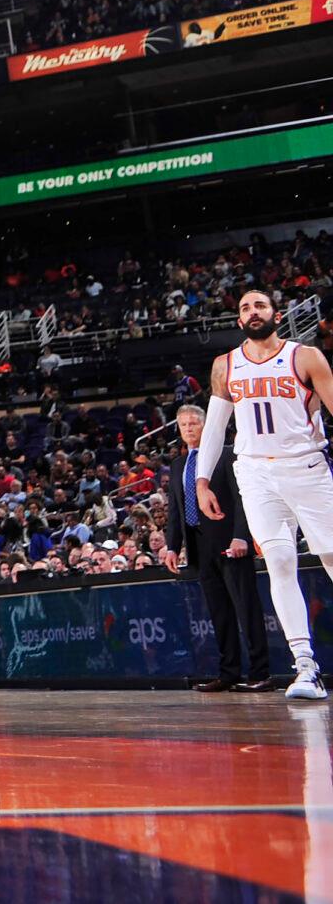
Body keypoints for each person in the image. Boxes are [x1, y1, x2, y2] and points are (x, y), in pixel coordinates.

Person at [195, 288, 333, 700]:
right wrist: (202, 481)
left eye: (260, 305)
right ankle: (305, 667)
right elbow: (215, 428)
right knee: (279, 562)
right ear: (239, 320)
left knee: (330, 559)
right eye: (245, 308)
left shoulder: (306, 357)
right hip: (255, 472)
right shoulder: (225, 365)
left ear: (276, 313)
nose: (253, 312)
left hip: (306, 466)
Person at [163, 400, 267, 692]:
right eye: (183, 425)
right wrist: (172, 547)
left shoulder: (227, 454)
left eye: (193, 423)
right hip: (199, 546)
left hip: (230, 542)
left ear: (206, 425)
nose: (188, 429)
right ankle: (228, 672)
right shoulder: (178, 465)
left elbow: (243, 499)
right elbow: (175, 511)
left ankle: (260, 673)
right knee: (219, 613)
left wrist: (241, 536)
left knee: (246, 608)